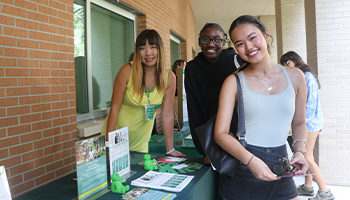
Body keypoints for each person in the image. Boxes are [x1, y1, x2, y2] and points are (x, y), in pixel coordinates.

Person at [214, 15, 309, 200]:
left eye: (252, 38)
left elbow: (299, 122)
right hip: (244, 164)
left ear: (265, 34)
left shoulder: (296, 76)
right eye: (240, 43)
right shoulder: (233, 82)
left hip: (281, 164)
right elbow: (220, 133)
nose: (249, 47)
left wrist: (299, 152)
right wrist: (251, 161)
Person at [101, 29, 185, 156]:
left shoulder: (169, 77)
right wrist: (108, 144)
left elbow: (167, 114)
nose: (148, 53)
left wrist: (170, 149)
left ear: (160, 50)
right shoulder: (126, 71)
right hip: (116, 139)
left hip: (141, 142)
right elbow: (115, 109)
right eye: (142, 48)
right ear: (137, 51)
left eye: (153, 47)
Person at [185, 23, 247, 165]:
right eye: (206, 39)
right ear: (200, 42)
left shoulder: (237, 62)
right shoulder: (192, 68)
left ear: (224, 42)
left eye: (217, 40)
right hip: (210, 140)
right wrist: (205, 149)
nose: (211, 44)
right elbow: (194, 111)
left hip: (240, 138)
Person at [281, 51, 334, 200]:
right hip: (310, 123)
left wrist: (302, 124)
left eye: (287, 63)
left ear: (295, 61)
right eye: (283, 64)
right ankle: (308, 187)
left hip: (310, 124)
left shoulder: (307, 76)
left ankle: (325, 192)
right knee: (307, 156)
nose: (286, 66)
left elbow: (310, 104)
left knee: (306, 157)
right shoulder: (303, 75)